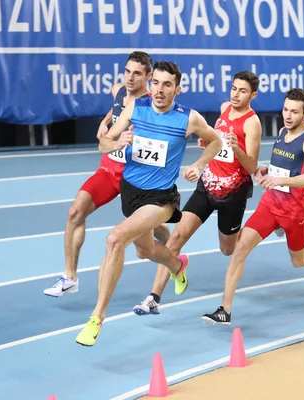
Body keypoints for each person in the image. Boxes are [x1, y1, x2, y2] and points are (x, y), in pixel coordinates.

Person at [75, 61, 222, 346]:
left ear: (177, 90)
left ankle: (96, 319)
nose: (159, 90)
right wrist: (115, 144)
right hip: (131, 191)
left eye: (168, 85)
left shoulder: (188, 118)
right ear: (151, 83)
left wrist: (200, 165)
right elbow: (104, 143)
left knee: (115, 239)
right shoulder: (136, 108)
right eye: (156, 83)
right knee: (144, 250)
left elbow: (215, 141)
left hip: (160, 198)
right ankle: (177, 266)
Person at [43, 51, 174, 297]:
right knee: (75, 212)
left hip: (135, 177)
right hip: (109, 168)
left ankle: (171, 247)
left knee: (150, 234)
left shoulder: (152, 105)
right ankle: (70, 277)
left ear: (148, 77)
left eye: (137, 73)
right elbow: (115, 110)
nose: (130, 78)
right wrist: (105, 123)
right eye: (127, 71)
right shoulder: (119, 90)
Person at [132, 71, 263, 315]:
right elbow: (217, 141)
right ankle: (153, 298)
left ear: (253, 95)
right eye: (234, 88)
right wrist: (209, 145)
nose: (235, 95)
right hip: (207, 186)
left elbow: (252, 167)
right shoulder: (225, 108)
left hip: (232, 194)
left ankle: (255, 232)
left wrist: (236, 149)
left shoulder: (252, 123)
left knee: (228, 249)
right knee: (176, 237)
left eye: (242, 91)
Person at [202, 88, 304, 325]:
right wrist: (265, 170)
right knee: (240, 248)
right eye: (285, 109)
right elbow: (282, 167)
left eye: (295, 112)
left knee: (299, 260)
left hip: (295, 212)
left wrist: (279, 180)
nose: (288, 115)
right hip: (271, 204)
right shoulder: (283, 131)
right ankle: (225, 309)